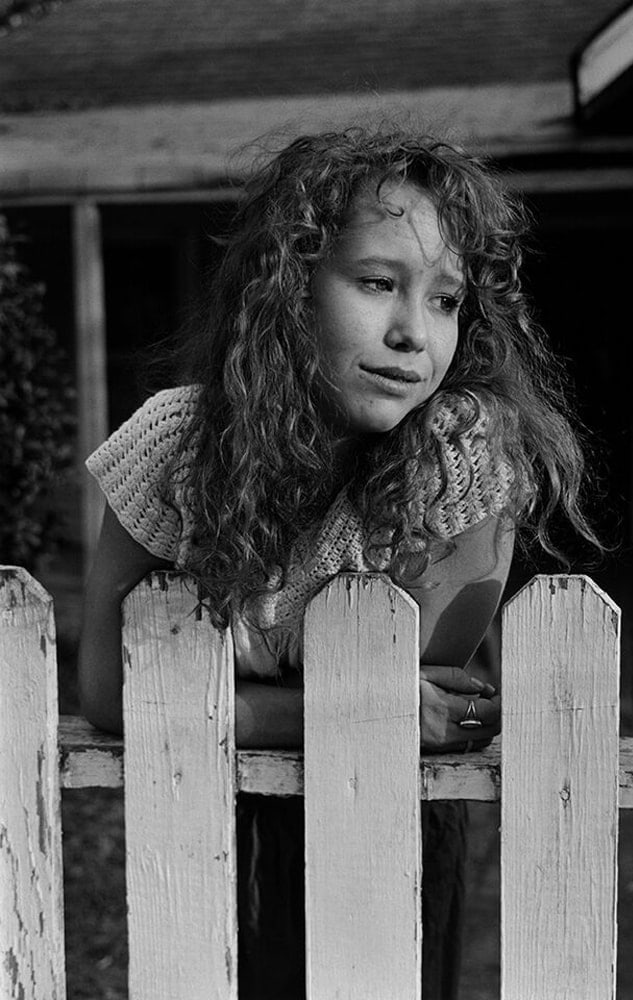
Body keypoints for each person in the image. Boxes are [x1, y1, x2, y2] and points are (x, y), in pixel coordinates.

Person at [78, 126, 599, 999]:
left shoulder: (459, 456)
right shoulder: (177, 445)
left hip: (385, 829)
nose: (411, 334)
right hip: (213, 815)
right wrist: (336, 701)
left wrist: (238, 682)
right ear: (287, 289)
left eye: (443, 301)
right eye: (376, 283)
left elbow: (425, 706)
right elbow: (108, 690)